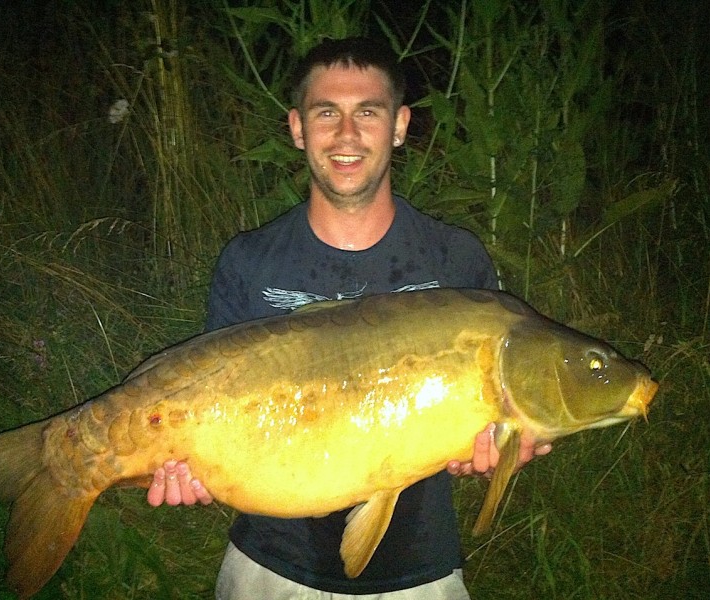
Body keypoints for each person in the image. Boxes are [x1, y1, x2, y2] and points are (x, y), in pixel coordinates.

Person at [148, 37, 551, 599]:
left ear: (400, 125)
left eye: (368, 112)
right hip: (269, 569)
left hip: (424, 574)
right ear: (296, 128)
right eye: (326, 113)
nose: (346, 134)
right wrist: (184, 465)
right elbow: (212, 412)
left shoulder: (456, 261)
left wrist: (491, 449)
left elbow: (476, 425)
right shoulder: (248, 261)